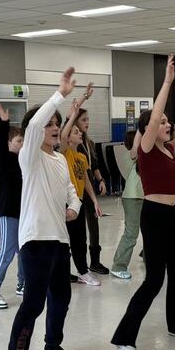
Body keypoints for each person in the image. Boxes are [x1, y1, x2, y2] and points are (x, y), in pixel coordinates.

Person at [111, 56, 175, 350]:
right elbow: (155, 113)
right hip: (154, 216)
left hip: (173, 215)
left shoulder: (170, 149)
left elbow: (173, 168)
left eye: (168, 122)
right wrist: (168, 82)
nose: (167, 124)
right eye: (162, 122)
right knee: (155, 279)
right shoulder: (145, 148)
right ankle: (124, 336)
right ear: (148, 128)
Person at [3, 68, 83, 350]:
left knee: (61, 297)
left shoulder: (59, 159)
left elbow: (71, 191)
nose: (54, 128)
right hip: (35, 240)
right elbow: (34, 125)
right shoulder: (30, 157)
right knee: (34, 303)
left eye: (56, 123)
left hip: (59, 240)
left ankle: (52, 344)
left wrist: (74, 207)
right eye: (49, 124)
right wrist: (59, 94)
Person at [61, 89, 103, 287]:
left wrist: (94, 201)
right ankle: (62, 272)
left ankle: (84, 271)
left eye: (80, 132)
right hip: (64, 203)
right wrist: (76, 110)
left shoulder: (82, 157)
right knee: (64, 241)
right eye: (75, 132)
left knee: (80, 239)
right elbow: (63, 134)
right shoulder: (63, 154)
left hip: (77, 202)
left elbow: (86, 180)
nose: (80, 133)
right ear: (68, 138)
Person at [0, 104, 25, 309]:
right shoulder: (6, 159)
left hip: (23, 213)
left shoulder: (24, 161)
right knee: (7, 252)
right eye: (18, 141)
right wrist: (4, 122)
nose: (22, 144)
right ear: (9, 144)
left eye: (23, 140)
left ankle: (22, 284)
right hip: (8, 213)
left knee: (24, 251)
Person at [74, 102, 110, 276]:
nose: (87, 122)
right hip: (76, 188)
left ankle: (95, 261)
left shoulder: (89, 142)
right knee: (77, 228)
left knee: (94, 222)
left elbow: (94, 166)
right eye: (83, 119)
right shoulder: (73, 142)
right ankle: (79, 264)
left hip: (89, 187)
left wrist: (101, 180)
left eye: (88, 119)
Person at [110, 131, 143, 280]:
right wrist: (142, 129)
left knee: (150, 230)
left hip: (144, 197)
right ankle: (118, 266)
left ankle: (149, 256)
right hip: (132, 197)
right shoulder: (131, 155)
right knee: (131, 233)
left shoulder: (143, 154)